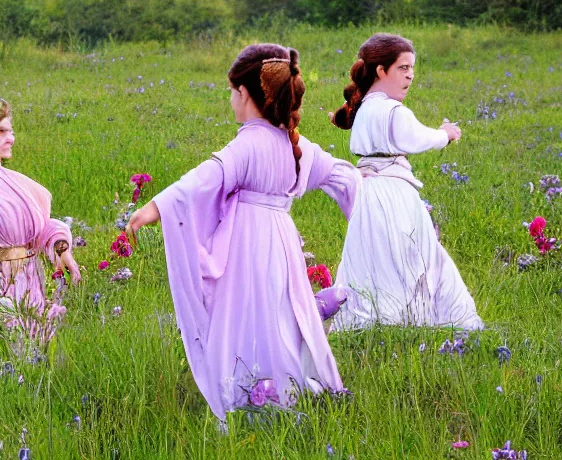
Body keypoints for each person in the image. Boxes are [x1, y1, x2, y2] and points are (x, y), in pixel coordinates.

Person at [125, 44, 360, 422]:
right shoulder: (295, 144)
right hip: (282, 240)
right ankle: (287, 386)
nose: (231, 99)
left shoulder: (248, 143)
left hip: (248, 243)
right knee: (282, 312)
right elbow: (342, 176)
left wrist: (155, 208)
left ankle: (252, 395)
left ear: (245, 93)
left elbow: (204, 180)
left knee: (245, 314)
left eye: (233, 91)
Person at [329, 34, 483, 331]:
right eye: (403, 68)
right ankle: (426, 320)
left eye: (412, 68)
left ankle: (373, 322)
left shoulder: (362, 111)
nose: (410, 75)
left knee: (372, 258)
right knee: (416, 256)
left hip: (369, 194)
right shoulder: (392, 111)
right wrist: (446, 134)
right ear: (380, 71)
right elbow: (419, 138)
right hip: (394, 193)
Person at [0, 98, 81, 322]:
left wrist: (61, 249)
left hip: (30, 288)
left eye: (11, 131)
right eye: (2, 131)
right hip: (4, 295)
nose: (11, 139)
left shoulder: (16, 183)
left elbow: (38, 229)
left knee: (34, 354)